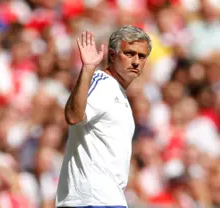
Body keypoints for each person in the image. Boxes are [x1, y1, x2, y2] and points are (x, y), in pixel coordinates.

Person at [56, 26, 152, 208]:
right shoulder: (102, 84)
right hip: (90, 199)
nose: (136, 61)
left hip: (108, 199)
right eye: (129, 53)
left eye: (141, 56)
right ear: (113, 55)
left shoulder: (118, 92)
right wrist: (88, 69)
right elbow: (73, 116)